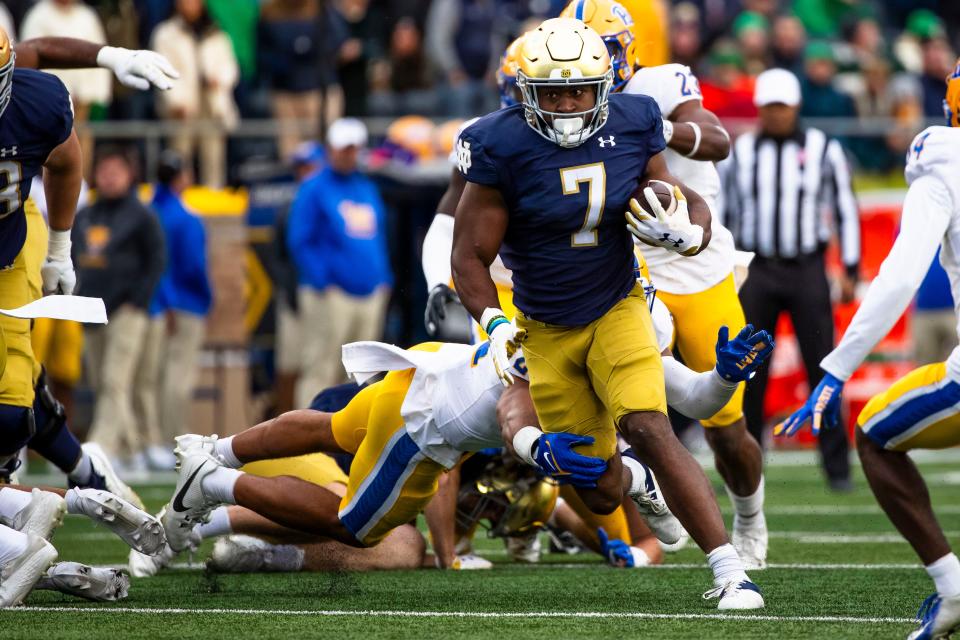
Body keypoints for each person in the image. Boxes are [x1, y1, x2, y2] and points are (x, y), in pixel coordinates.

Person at [450, 18, 762, 609]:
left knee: (649, 425)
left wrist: (688, 233)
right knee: (597, 491)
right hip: (544, 327)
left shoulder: (635, 117)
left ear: (606, 85)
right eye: (553, 93)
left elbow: (678, 196)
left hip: (618, 304)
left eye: (580, 90)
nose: (568, 105)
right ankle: (637, 482)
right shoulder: (498, 144)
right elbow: (468, 256)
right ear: (526, 93)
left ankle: (730, 573)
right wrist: (492, 322)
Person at [777, 59, 960, 640]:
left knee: (875, 435)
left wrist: (837, 367)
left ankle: (953, 590)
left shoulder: (944, 154)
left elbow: (903, 275)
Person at [724, 68, 860, 491]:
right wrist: (725, 268)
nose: (775, 114)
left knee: (824, 365)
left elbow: (845, 208)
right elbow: (725, 214)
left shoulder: (823, 149)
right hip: (757, 270)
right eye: (768, 107)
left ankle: (837, 468)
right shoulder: (740, 152)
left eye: (781, 106)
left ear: (796, 106)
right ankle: (744, 466)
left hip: (806, 269)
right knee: (749, 372)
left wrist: (851, 267)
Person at [287, 118, 392, 407]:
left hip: (369, 293)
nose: (348, 154)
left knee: (363, 376)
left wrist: (384, 279)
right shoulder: (314, 188)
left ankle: (351, 442)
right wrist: (323, 281)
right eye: (343, 148)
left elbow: (377, 237)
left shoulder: (366, 187)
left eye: (353, 148)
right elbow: (300, 240)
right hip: (330, 295)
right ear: (330, 149)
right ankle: (304, 441)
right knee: (320, 368)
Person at [74, 147, 166, 468]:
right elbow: (75, 257)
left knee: (116, 379)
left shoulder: (141, 215)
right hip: (91, 308)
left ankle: (100, 448)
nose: (110, 176)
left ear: (130, 174)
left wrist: (138, 300)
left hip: (126, 309)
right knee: (101, 381)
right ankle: (132, 449)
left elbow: (156, 260)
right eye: (104, 169)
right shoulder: (86, 214)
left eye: (117, 169)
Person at [139, 150, 212, 470]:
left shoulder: (149, 210)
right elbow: (195, 265)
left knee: (153, 375)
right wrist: (206, 297)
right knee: (177, 375)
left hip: (152, 301)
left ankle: (153, 439)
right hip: (183, 302)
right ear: (182, 177)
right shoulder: (185, 216)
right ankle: (173, 440)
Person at [151, 0, 239, 188]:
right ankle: (179, 196)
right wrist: (177, 101)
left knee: (213, 156)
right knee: (180, 156)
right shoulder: (165, 33)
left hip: (211, 103)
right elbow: (163, 70)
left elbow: (230, 67)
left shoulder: (216, 33)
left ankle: (214, 196)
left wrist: (219, 79)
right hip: (182, 107)